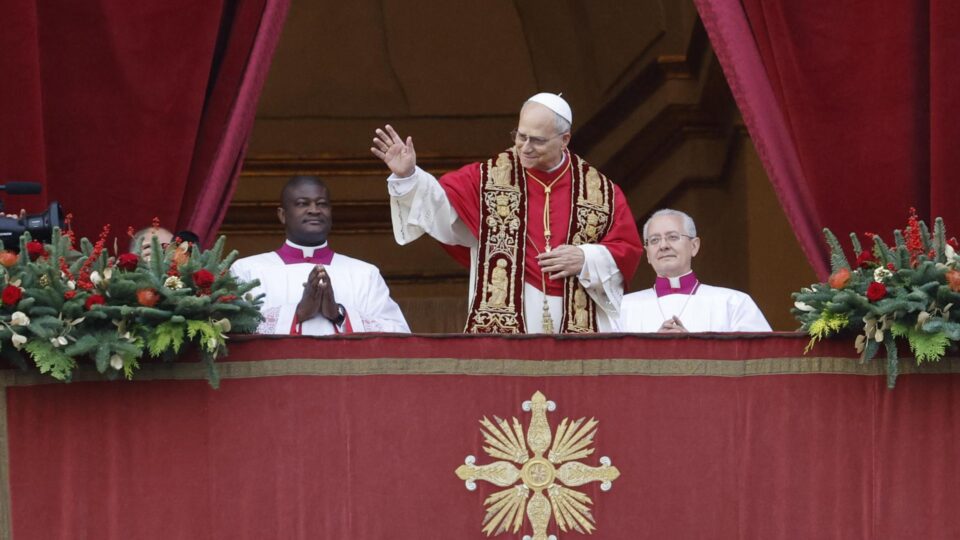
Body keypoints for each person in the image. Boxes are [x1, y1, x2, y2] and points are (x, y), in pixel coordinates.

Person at [371, 93, 643, 333]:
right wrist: (408, 175)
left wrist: (586, 258)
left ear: (565, 140)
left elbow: (627, 249)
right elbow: (444, 215)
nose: (525, 147)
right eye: (520, 136)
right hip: (507, 325)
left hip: (578, 326)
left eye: (536, 140)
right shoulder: (488, 178)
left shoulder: (602, 192)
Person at [230, 175, 410, 335]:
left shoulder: (365, 274)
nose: (314, 210)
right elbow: (231, 331)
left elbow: (399, 334)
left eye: (322, 203)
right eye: (302, 203)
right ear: (283, 215)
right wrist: (298, 313)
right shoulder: (247, 270)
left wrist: (338, 314)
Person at [619, 209, 771, 332]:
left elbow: (757, 361)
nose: (663, 246)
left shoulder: (734, 303)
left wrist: (694, 348)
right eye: (654, 240)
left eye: (672, 237)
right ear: (648, 254)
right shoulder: (621, 309)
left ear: (694, 246)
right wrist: (653, 349)